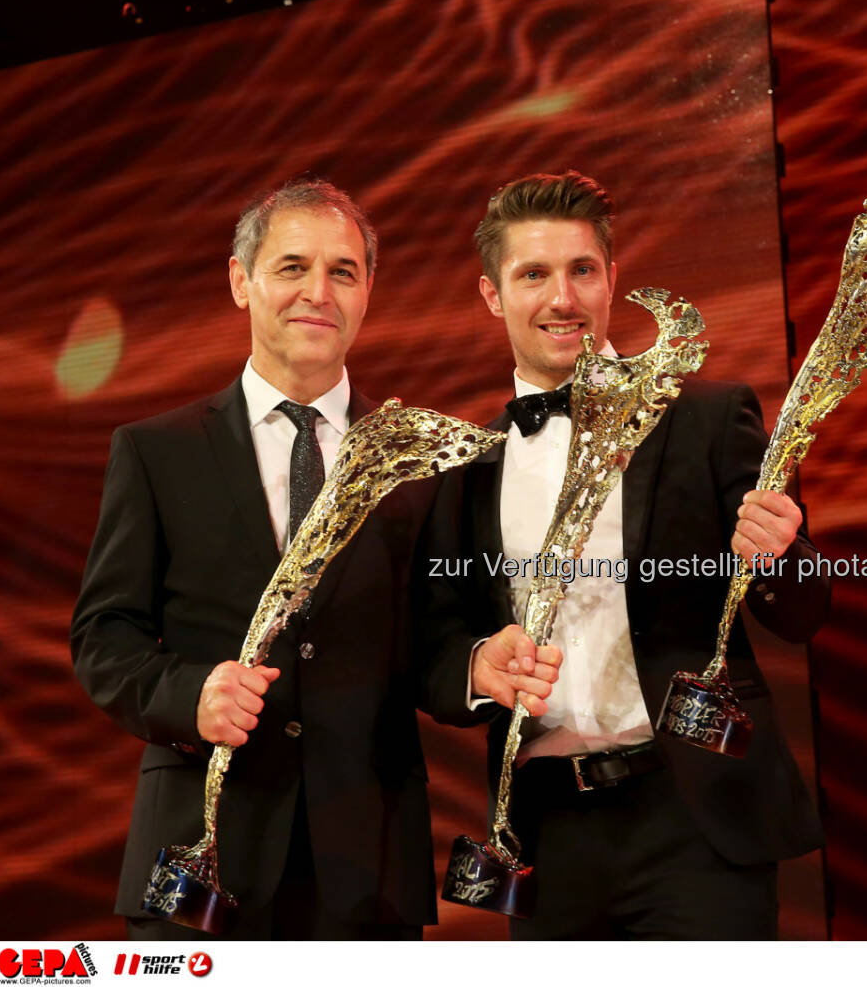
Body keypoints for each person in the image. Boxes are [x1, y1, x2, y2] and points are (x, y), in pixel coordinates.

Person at [70, 178, 559, 940]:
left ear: (368, 291)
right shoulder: (156, 452)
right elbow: (104, 636)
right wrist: (187, 692)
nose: (317, 292)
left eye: (342, 270)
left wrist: (474, 666)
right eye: (291, 267)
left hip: (367, 865)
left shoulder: (420, 462)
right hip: (201, 861)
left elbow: (432, 643)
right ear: (242, 281)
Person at [435, 170, 830, 939]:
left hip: (696, 817)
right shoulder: (467, 465)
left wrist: (782, 554)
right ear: (492, 295)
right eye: (534, 275)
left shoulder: (709, 418)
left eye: (582, 270)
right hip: (548, 837)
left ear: (612, 278)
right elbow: (436, 638)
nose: (563, 298)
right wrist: (478, 664)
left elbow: (803, 612)